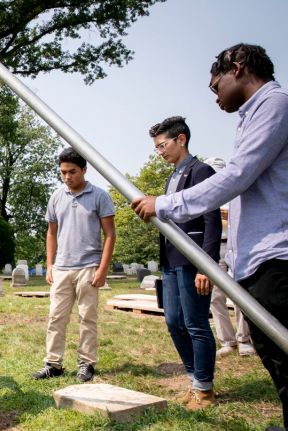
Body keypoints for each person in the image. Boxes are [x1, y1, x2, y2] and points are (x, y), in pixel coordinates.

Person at [131, 43, 288, 429]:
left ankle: (205, 383)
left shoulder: (275, 105)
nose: (214, 95)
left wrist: (164, 205)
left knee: (279, 347)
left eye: (214, 84)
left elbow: (235, 179)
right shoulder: (251, 117)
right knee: (275, 353)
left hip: (277, 254)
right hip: (253, 256)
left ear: (237, 68)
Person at [149, 116, 222, 409]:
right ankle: (194, 380)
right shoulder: (171, 177)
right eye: (156, 148)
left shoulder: (201, 171)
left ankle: (205, 389)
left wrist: (207, 266)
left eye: (162, 145)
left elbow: (211, 221)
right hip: (170, 260)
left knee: (196, 323)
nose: (159, 152)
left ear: (181, 139)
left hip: (193, 261)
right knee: (173, 321)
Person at [33, 147, 115, 383]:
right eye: (63, 173)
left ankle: (86, 363)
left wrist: (102, 269)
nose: (67, 177)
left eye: (72, 172)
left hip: (89, 267)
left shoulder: (100, 196)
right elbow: (51, 233)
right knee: (55, 317)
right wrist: (50, 265)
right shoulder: (56, 197)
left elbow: (110, 235)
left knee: (87, 318)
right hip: (61, 269)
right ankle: (53, 364)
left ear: (84, 170)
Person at [203, 157, 255, 359]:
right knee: (215, 297)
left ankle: (244, 339)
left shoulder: (237, 192)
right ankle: (227, 341)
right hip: (216, 248)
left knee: (240, 296)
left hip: (236, 246)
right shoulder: (207, 194)